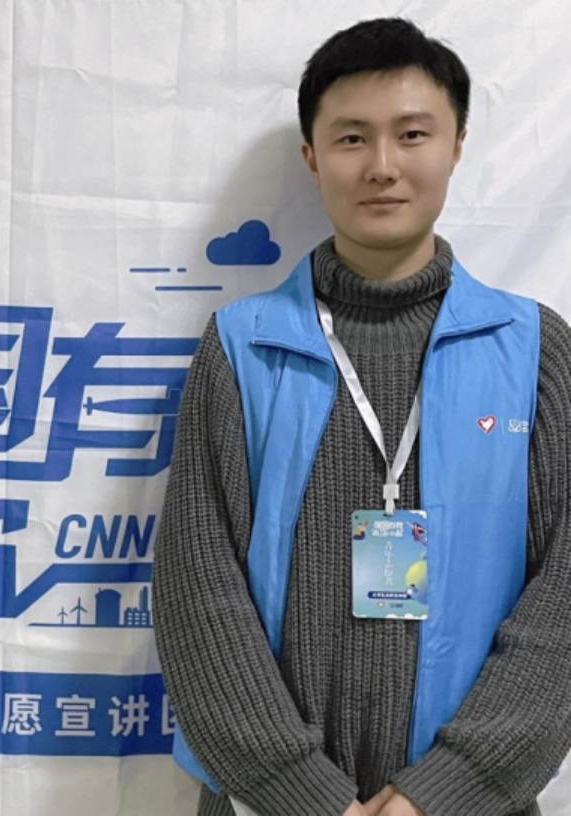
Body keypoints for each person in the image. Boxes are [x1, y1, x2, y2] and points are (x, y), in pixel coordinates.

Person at [152, 17, 571, 816]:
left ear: (457, 145)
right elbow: (197, 588)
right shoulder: (243, 345)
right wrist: (302, 793)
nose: (382, 165)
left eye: (412, 134)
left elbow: (565, 595)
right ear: (312, 156)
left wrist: (447, 789)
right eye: (351, 138)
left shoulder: (533, 347)